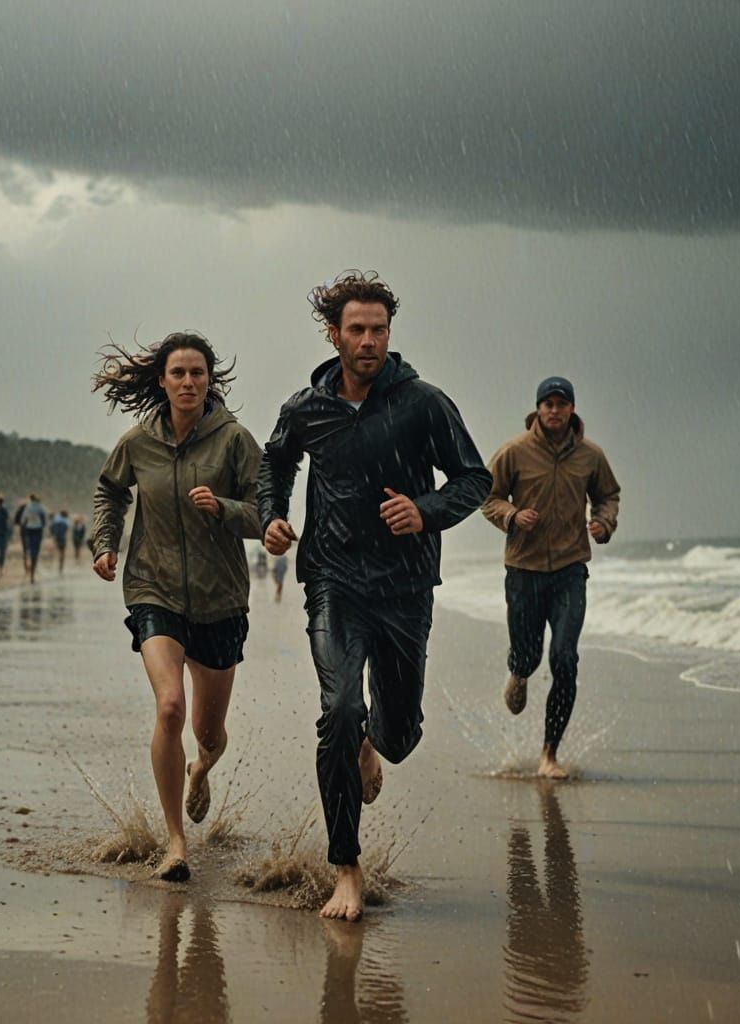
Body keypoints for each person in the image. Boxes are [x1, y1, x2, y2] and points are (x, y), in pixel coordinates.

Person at [257, 270, 491, 921]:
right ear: (333, 335)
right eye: (356, 330)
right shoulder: (307, 408)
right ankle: (346, 869)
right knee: (336, 711)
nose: (368, 341)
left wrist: (425, 510)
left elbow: (476, 478)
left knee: (400, 734)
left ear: (390, 333)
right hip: (332, 582)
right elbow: (273, 464)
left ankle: (372, 741)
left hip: (407, 589)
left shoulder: (424, 403)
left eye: (378, 329)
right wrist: (272, 515)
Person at [91, 331, 262, 883]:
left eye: (197, 373)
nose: (188, 382)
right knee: (170, 708)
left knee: (209, 734)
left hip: (220, 599)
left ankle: (200, 767)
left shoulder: (234, 440)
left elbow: (266, 514)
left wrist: (224, 509)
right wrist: (106, 541)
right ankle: (175, 844)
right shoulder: (138, 442)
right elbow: (110, 492)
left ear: (210, 380)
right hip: (153, 588)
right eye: (178, 373)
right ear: (161, 382)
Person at [482, 376, 620, 779]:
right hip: (523, 571)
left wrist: (603, 522)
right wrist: (511, 516)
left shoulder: (591, 456)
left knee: (565, 658)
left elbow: (608, 495)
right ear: (538, 409)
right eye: (549, 404)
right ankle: (519, 672)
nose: (555, 410)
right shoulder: (514, 452)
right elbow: (486, 497)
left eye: (562, 404)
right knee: (529, 655)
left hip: (570, 571)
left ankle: (549, 754)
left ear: (572, 409)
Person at [19, 493, 47, 583]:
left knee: (30, 548)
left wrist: (24, 528)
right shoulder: (40, 507)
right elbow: (44, 518)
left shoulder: (28, 507)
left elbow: (23, 520)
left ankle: (31, 564)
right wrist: (43, 526)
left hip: (29, 529)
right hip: (38, 530)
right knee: (36, 549)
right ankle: (33, 571)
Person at [50, 509, 70, 574]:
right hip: (62, 538)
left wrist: (53, 537)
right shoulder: (65, 522)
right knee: (62, 553)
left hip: (56, 538)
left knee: (55, 552)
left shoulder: (55, 521)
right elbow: (66, 531)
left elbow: (52, 529)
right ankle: (60, 567)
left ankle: (52, 567)